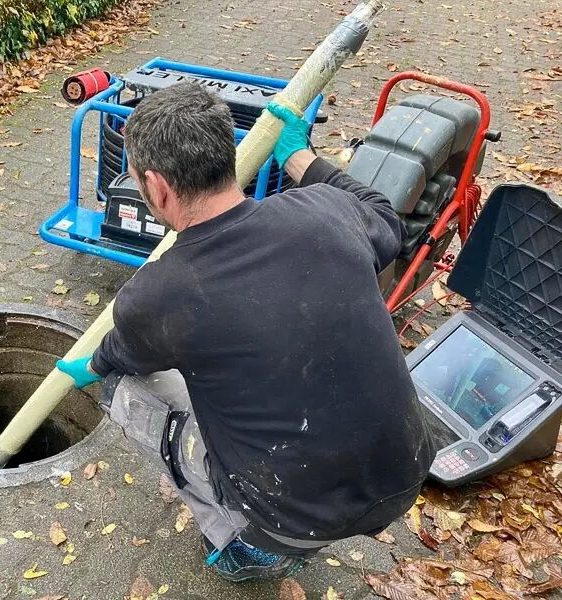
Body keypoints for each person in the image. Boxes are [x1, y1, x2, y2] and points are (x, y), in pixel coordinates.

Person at [56, 82, 435, 582]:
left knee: (124, 391)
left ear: (157, 186)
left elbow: (121, 356)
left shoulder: (159, 292)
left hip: (294, 519)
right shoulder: (328, 210)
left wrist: (90, 367)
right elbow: (386, 218)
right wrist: (299, 157)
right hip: (406, 471)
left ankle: (251, 546)